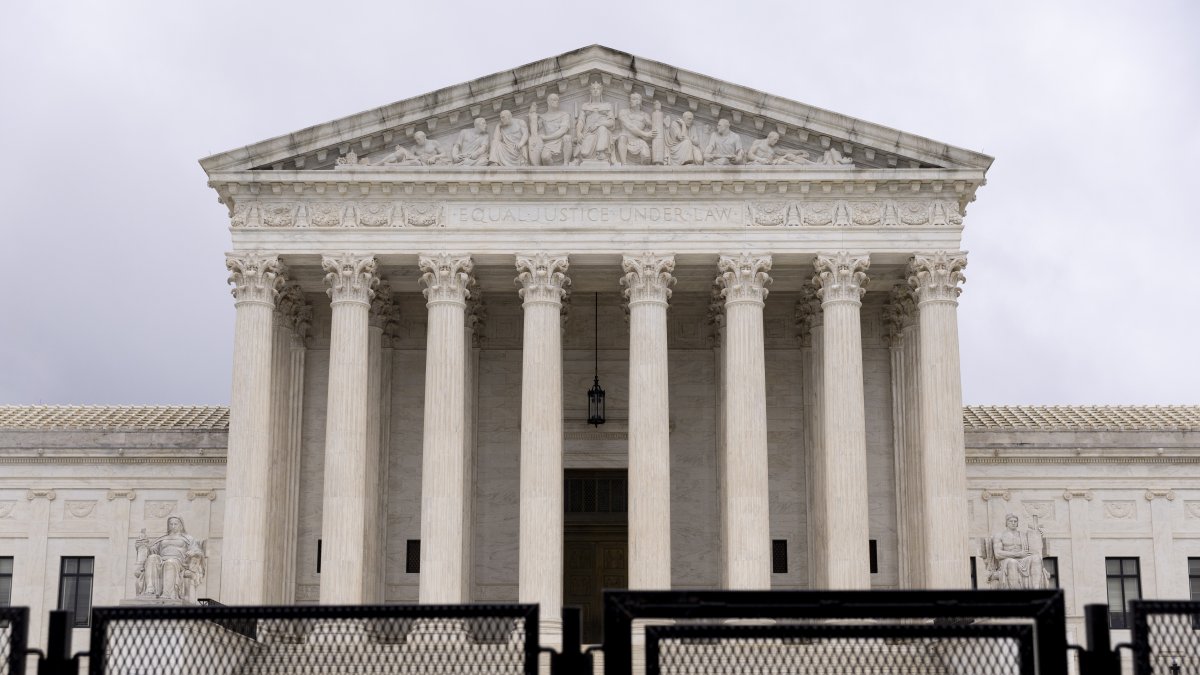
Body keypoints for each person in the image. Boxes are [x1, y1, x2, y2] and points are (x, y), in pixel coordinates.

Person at [134, 516, 205, 602]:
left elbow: (197, 551)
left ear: (181, 525)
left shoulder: (188, 538)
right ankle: (150, 589)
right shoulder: (163, 538)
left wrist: (193, 552)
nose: (173, 526)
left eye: (175, 524)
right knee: (152, 558)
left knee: (169, 563)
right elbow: (152, 550)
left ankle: (167, 594)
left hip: (179, 562)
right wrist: (143, 544)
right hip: (161, 559)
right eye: (171, 524)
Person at [991, 513, 1050, 589]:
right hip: (1007, 560)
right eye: (1010, 521)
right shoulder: (999, 535)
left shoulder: (1024, 535)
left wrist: (1038, 536)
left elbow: (1035, 547)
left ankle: (1036, 588)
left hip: (1023, 559)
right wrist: (1017, 554)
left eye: (1015, 521)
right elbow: (998, 554)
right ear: (1006, 523)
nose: (1013, 523)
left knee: (1036, 558)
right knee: (1012, 562)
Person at [574, 81, 615, 164]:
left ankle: (601, 151)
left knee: (602, 128)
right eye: (593, 89)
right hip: (588, 132)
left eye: (598, 89)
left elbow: (611, 122)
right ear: (590, 91)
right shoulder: (585, 106)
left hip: (603, 132)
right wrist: (578, 133)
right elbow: (581, 121)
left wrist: (598, 124)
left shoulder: (607, 105)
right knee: (585, 153)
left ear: (601, 90)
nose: (595, 90)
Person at [530, 93, 573, 166]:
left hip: (561, 141)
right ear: (548, 102)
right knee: (545, 157)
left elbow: (563, 130)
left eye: (557, 100)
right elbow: (534, 133)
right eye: (554, 100)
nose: (556, 102)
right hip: (548, 144)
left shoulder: (564, 115)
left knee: (567, 137)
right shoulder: (542, 117)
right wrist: (532, 115)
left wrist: (546, 137)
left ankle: (566, 164)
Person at [616, 93, 657, 166]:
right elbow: (630, 126)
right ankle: (624, 164)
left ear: (639, 101)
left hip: (638, 140)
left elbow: (655, 129)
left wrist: (652, 121)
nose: (631, 101)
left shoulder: (645, 115)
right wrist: (645, 134)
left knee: (646, 157)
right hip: (625, 138)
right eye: (631, 99)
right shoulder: (623, 112)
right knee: (622, 137)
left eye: (634, 99)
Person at [746, 131, 812, 165]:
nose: (776, 142)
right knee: (783, 161)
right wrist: (760, 159)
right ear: (769, 137)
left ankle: (811, 165)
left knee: (790, 156)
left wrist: (799, 151)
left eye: (777, 140)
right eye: (775, 139)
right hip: (762, 163)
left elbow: (785, 151)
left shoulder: (773, 148)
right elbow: (750, 154)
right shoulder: (759, 142)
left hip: (773, 162)